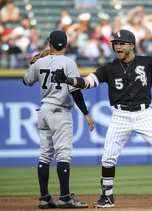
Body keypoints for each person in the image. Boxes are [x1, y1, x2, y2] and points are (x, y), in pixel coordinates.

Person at [52, 29, 152, 208]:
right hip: (120, 115)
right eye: (115, 44)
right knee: (108, 158)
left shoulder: (147, 62)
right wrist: (68, 80)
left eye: (121, 43)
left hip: (144, 114)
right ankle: (107, 197)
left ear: (132, 46)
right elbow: (87, 82)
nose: (117, 46)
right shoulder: (109, 68)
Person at [23, 30, 94, 209]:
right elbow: (75, 90)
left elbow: (26, 81)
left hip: (44, 110)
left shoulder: (40, 62)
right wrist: (86, 113)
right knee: (63, 154)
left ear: (49, 44)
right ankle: (65, 197)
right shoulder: (69, 62)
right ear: (66, 45)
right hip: (60, 111)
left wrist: (34, 62)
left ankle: (45, 197)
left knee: (45, 155)